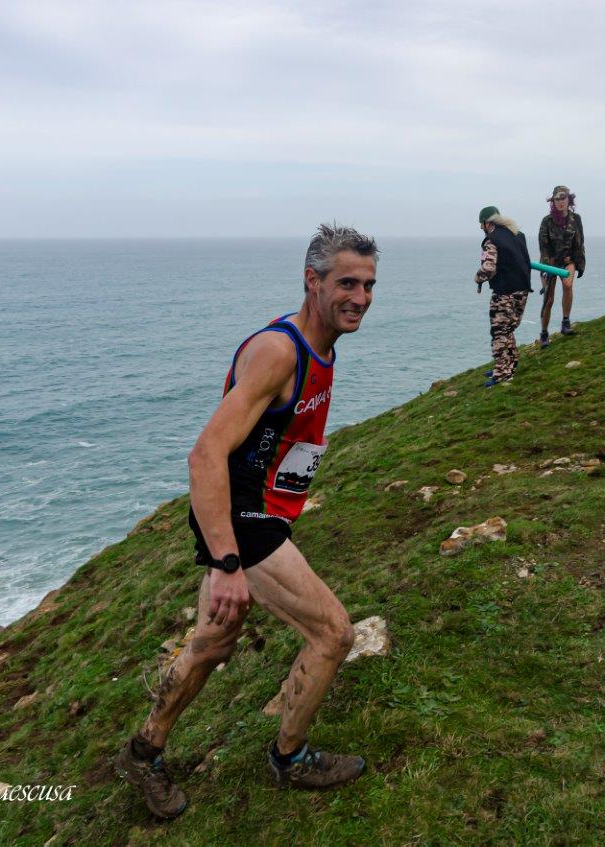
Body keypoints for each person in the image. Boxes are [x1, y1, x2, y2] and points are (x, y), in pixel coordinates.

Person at [114, 223, 378, 821]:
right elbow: (206, 454)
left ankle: (144, 750)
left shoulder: (322, 344)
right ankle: (290, 758)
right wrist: (228, 561)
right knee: (333, 633)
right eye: (346, 283)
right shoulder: (278, 350)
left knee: (212, 642)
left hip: (257, 511)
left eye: (367, 285)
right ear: (312, 282)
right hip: (242, 518)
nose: (360, 297)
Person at [474, 206, 533, 386]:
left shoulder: (491, 241)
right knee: (508, 330)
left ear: (487, 223)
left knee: (499, 332)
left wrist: (478, 278)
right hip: (522, 291)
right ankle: (510, 364)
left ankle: (501, 374)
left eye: (481, 225)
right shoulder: (518, 235)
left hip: (504, 293)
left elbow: (489, 268)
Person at [536, 185, 586, 347]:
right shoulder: (547, 221)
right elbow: (543, 247)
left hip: (568, 260)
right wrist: (544, 270)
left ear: (568, 199)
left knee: (568, 285)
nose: (560, 202)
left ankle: (566, 322)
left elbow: (580, 242)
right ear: (553, 202)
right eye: (557, 199)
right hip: (550, 263)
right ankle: (544, 333)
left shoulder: (575, 219)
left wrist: (580, 264)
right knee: (548, 299)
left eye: (563, 198)